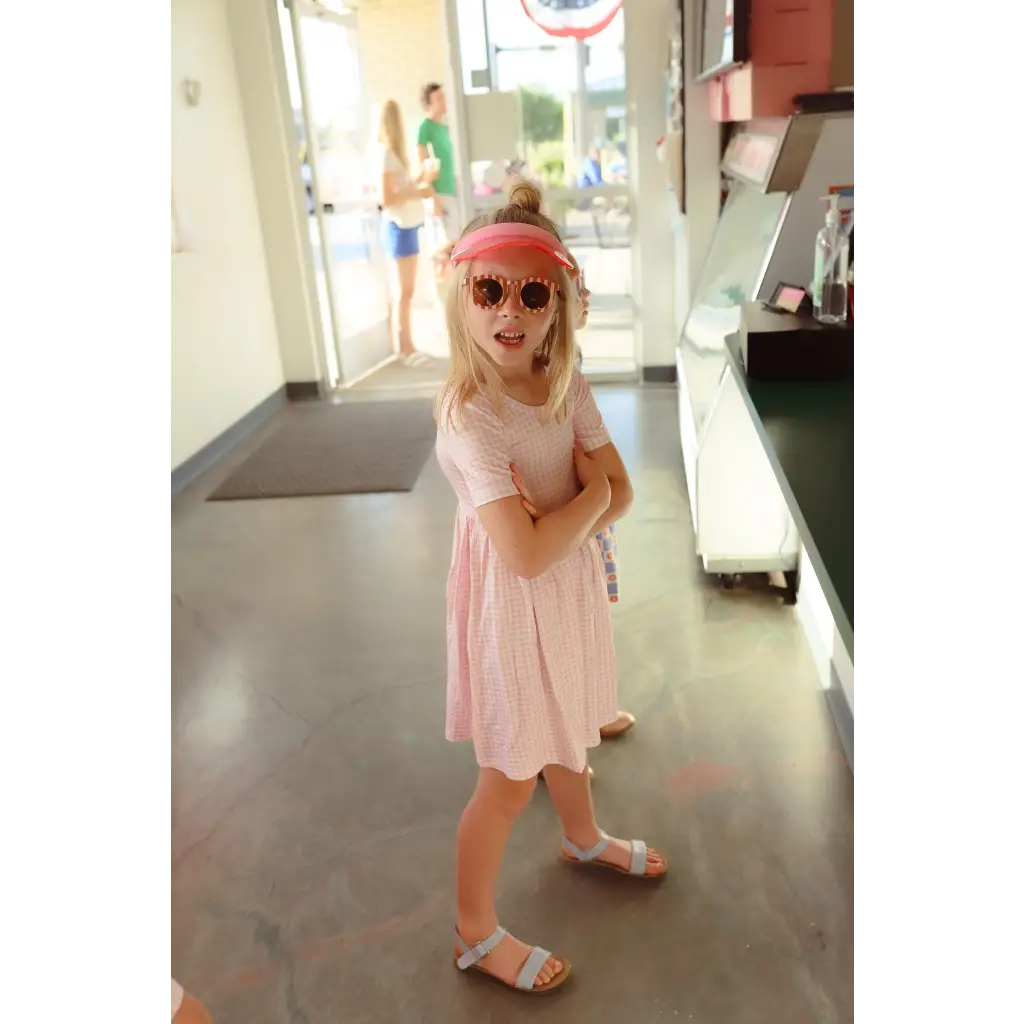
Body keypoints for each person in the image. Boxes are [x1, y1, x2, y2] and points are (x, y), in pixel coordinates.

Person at [434, 182, 667, 996]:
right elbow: (525, 557)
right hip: (512, 609)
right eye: (488, 288)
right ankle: (472, 930)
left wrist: (578, 508)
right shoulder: (472, 416)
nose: (510, 310)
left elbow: (624, 494)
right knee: (504, 778)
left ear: (559, 304)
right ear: (460, 295)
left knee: (567, 722)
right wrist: (589, 497)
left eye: (532, 292)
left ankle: (581, 834)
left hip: (562, 600)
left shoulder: (564, 383)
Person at [377, 99, 436, 366]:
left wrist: (423, 181)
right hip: (399, 226)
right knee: (405, 290)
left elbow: (402, 189)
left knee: (406, 290)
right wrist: (419, 191)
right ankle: (405, 347)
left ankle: (406, 345)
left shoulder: (394, 155)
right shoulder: (386, 155)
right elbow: (388, 197)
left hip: (407, 224)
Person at [416, 83, 461, 246]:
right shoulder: (424, 128)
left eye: (444, 97)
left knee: (455, 246)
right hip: (439, 195)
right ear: (429, 104)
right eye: (439, 98)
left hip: (451, 193)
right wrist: (433, 199)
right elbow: (423, 167)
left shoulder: (444, 128)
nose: (444, 101)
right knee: (443, 250)